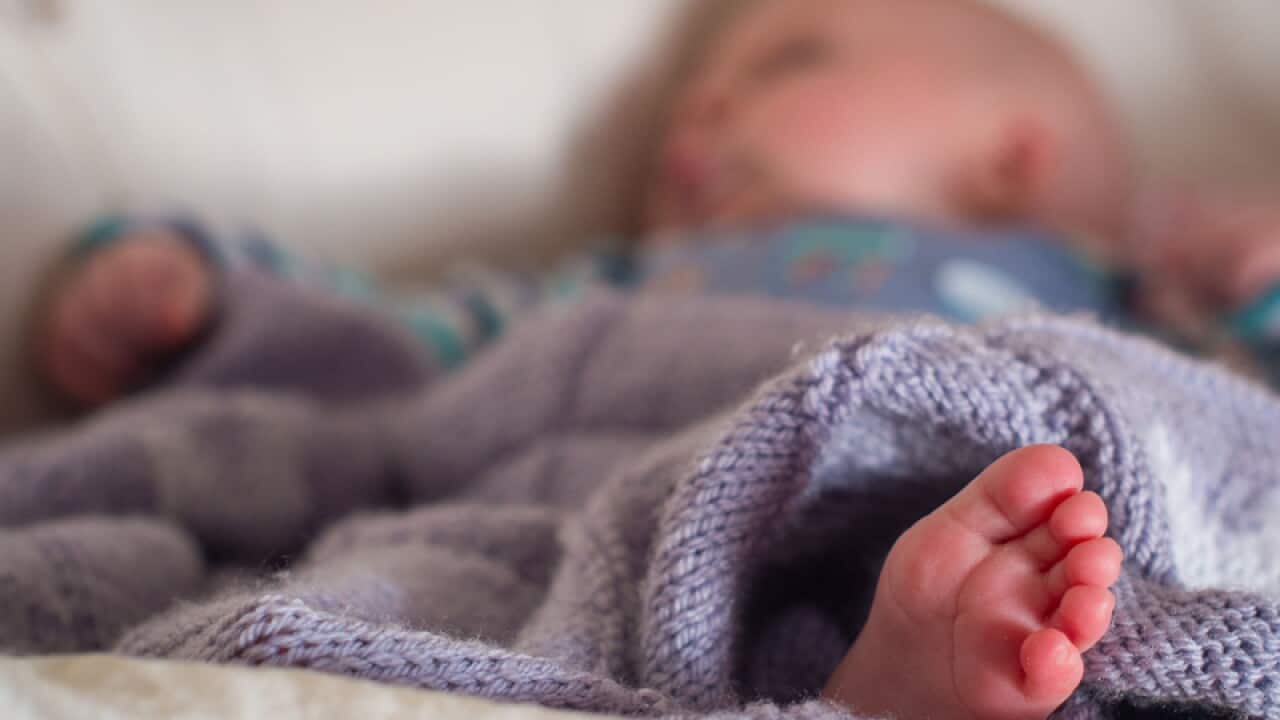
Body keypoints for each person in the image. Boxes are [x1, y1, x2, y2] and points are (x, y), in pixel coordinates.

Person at [37, 0, 1280, 716]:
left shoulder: (1092, 291)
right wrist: (193, 296)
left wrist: (1258, 278)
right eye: (691, 101)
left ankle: (901, 660)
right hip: (611, 493)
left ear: (1011, 161)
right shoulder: (608, 284)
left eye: (783, 62)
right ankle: (873, 683)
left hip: (916, 485)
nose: (700, 116)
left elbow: (1228, 449)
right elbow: (380, 350)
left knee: (1049, 501)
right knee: (402, 583)